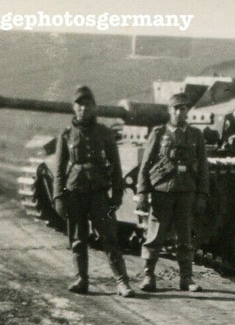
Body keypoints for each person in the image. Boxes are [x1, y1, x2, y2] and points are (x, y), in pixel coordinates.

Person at [52, 85, 134, 297]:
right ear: (73, 108)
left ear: (94, 107)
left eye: (88, 105)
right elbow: (59, 169)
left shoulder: (105, 134)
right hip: (75, 193)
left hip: (99, 194)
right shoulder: (66, 135)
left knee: (109, 237)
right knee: (78, 238)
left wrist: (117, 194)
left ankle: (123, 282)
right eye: (79, 105)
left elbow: (116, 166)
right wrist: (59, 197)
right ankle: (81, 279)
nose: (83, 109)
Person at [135, 93, 210, 292]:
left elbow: (203, 167)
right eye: (176, 108)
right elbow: (145, 165)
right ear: (170, 111)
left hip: (186, 192)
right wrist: (142, 191)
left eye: (183, 108)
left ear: (187, 111)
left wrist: (202, 194)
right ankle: (148, 276)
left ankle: (186, 279)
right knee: (155, 236)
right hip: (163, 192)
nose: (179, 112)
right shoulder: (159, 134)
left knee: (185, 237)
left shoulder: (195, 135)